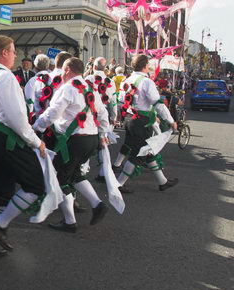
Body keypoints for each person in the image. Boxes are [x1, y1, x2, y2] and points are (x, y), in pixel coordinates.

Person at [0, 35, 46, 256]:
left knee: (1, 191)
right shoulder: (5, 77)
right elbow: (17, 118)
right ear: (3, 52)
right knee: (35, 185)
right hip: (7, 139)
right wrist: (35, 141)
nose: (15, 56)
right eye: (13, 51)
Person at [33, 57, 110, 232]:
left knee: (59, 178)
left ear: (67, 70)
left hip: (75, 140)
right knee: (74, 174)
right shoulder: (91, 88)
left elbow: (52, 113)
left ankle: (70, 222)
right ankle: (97, 205)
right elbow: (102, 112)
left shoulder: (67, 89)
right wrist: (103, 133)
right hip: (90, 140)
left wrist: (36, 127)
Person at [115, 54, 178, 193]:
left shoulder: (127, 79)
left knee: (147, 151)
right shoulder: (146, 82)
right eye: (148, 64)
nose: (149, 67)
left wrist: (122, 116)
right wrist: (171, 121)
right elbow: (158, 104)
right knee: (138, 153)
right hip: (142, 122)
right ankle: (118, 184)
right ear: (145, 66)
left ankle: (163, 182)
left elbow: (120, 101)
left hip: (130, 119)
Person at [24, 54, 51, 121]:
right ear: (47, 66)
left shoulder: (32, 81)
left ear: (35, 66)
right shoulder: (54, 79)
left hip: (37, 119)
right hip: (52, 119)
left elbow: (29, 102)